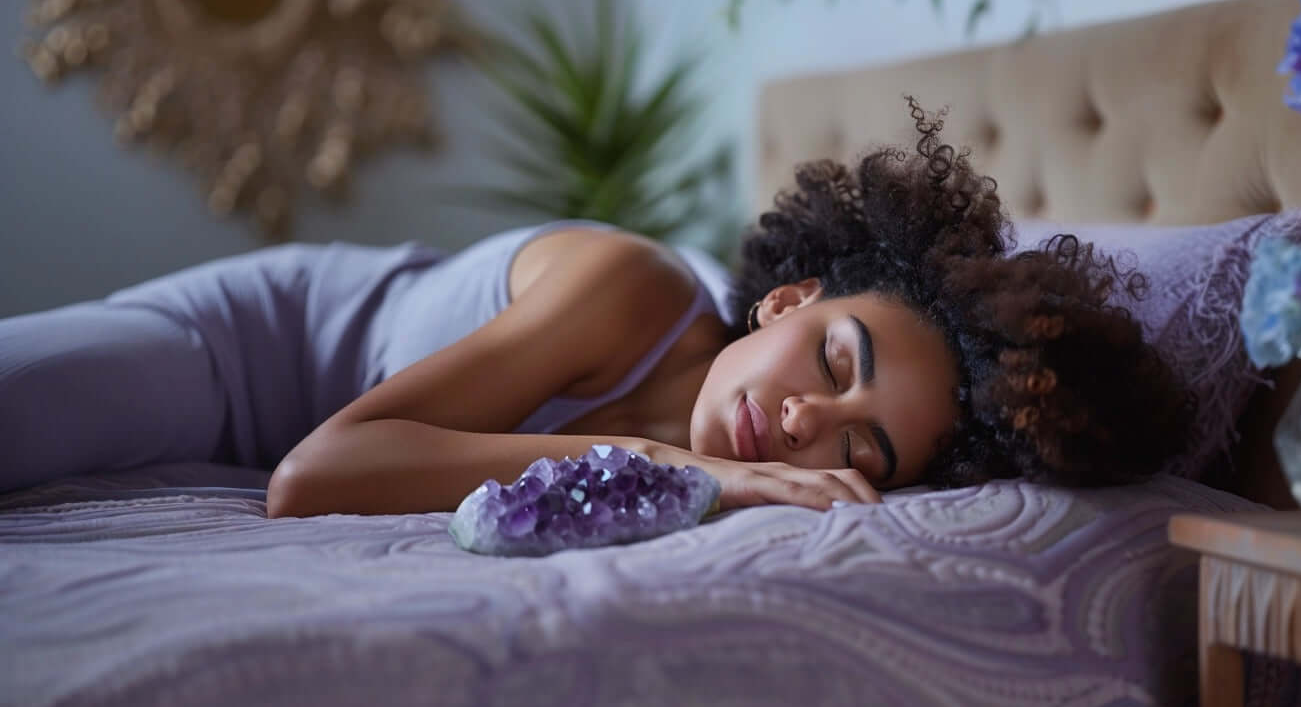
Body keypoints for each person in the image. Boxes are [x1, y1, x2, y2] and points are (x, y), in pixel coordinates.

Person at [0, 98, 1192, 516]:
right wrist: (693, 475)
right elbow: (316, 475)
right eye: (832, 360)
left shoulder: (769, 482)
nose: (805, 429)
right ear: (783, 298)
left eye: (864, 446)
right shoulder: (632, 290)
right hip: (235, 351)